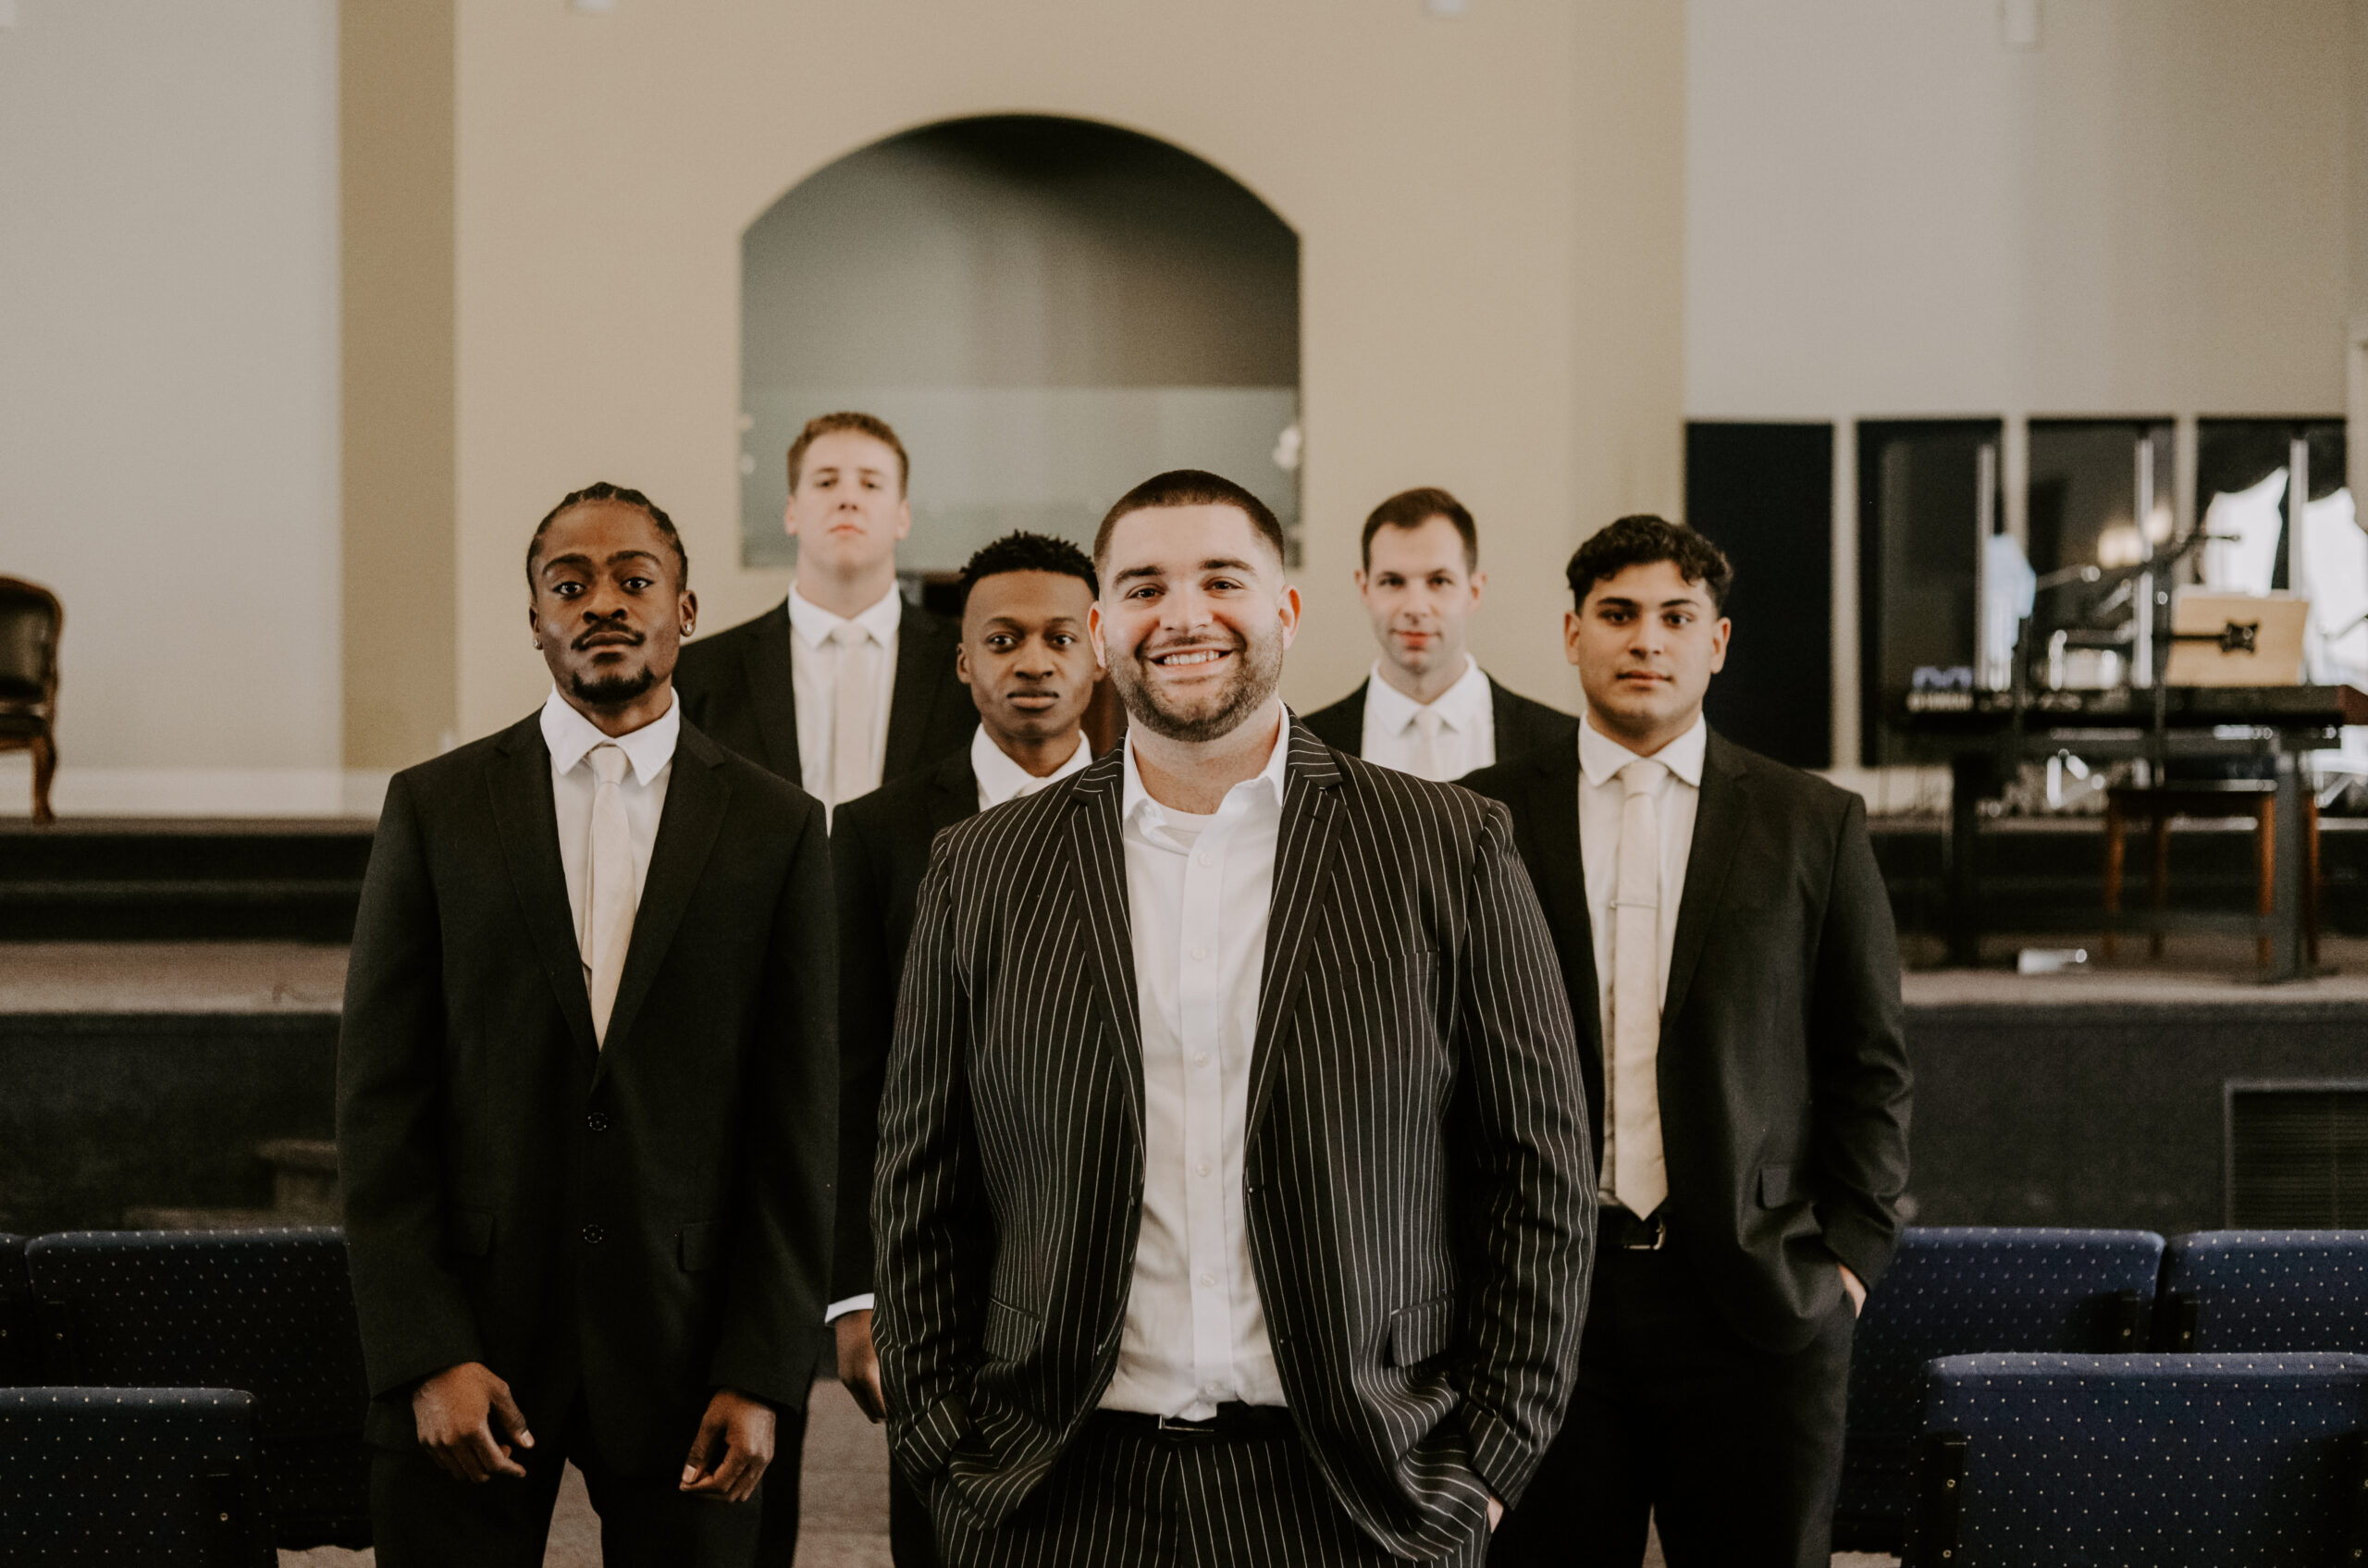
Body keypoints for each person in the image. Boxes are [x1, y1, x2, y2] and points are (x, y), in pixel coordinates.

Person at [871, 469, 1594, 1568]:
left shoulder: (1449, 848)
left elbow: (1539, 1173)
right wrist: (942, 1454)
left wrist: (1487, 1467)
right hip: (1056, 1494)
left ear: (1287, 610)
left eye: (1223, 578)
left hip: (1356, 1493)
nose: (1185, 614)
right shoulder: (981, 869)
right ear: (1106, 626)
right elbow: (920, 1182)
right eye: (1145, 586)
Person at [338, 482, 838, 1567]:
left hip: (690, 1354)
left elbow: (797, 1125)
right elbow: (381, 1105)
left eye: (632, 579)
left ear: (686, 610)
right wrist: (426, 1354)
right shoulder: (433, 809)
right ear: (535, 622)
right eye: (569, 584)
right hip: (472, 1342)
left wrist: (761, 1371)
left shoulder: (780, 829)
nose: (601, 601)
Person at [1463, 515, 1912, 1568]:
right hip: (1540, 1304)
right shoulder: (1477, 819)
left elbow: (1869, 1059)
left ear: (1715, 643)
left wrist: (1848, 1255)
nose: (1645, 641)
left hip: (1758, 1303)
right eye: (1617, 615)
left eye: (1675, 617)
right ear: (1572, 634)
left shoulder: (1813, 822)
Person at [827, 530, 1105, 1567]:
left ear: (1101, 651)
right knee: (946, 1541)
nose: (1031, 660)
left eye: (1057, 637)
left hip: (1110, 1257)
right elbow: (851, 1072)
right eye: (1003, 638)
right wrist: (857, 1292)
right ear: (963, 660)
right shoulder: (876, 834)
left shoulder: (1163, 819)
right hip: (940, 1263)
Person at [675, 411, 975, 810]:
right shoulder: (700, 671)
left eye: (870, 483)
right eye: (826, 481)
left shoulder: (969, 666)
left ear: (902, 517)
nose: (848, 499)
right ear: (791, 511)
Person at [1302, 487, 1577, 778]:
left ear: (1474, 590)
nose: (1416, 607)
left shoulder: (1561, 741)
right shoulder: (1307, 747)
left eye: (1439, 581)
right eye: (1393, 581)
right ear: (1364, 587)